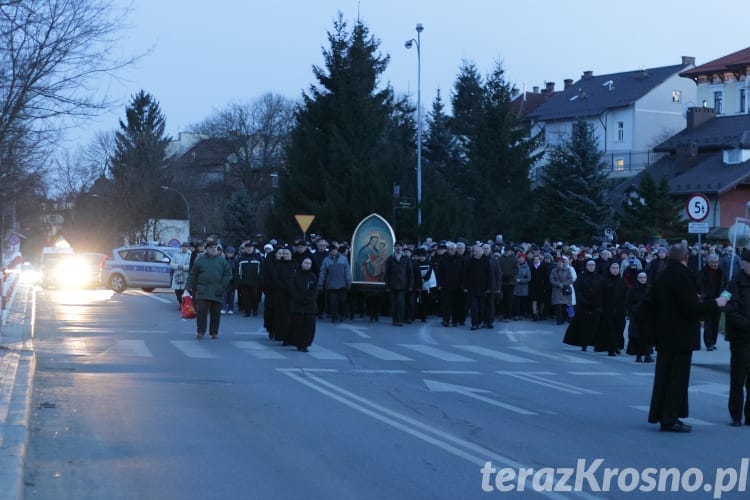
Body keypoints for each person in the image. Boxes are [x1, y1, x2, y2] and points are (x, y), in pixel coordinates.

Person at [647, 243, 727, 432]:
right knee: (676, 380)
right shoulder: (681, 276)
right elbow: (690, 308)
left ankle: (665, 414)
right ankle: (669, 417)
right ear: (685, 258)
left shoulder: (664, 274)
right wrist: (715, 303)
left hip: (665, 334)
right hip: (680, 336)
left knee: (664, 378)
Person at [185, 240, 233, 340]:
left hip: (217, 290)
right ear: (207, 249)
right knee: (201, 311)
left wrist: (222, 286)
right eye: (211, 248)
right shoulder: (201, 260)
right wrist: (188, 286)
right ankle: (200, 331)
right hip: (203, 289)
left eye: (215, 248)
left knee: (215, 312)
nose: (214, 249)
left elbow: (228, 274)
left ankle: (214, 332)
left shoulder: (222, 261)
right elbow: (193, 274)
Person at [724, 249, 750, 426]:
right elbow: (729, 309)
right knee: (738, 379)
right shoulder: (733, 283)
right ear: (744, 264)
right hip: (740, 338)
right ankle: (735, 415)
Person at [563, 260, 602, 351]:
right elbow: (578, 291)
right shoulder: (581, 278)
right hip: (583, 305)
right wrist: (584, 301)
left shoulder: (599, 278)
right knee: (583, 325)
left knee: (595, 325)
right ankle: (583, 343)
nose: (591, 267)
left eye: (593, 265)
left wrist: (596, 302)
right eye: (590, 265)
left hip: (595, 305)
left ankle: (593, 343)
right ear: (586, 266)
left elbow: (601, 291)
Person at [289, 257, 318, 352]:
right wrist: (298, 298)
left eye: (309, 263)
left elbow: (315, 291)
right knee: (297, 325)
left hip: (309, 306)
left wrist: (308, 299)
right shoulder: (295, 275)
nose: (307, 265)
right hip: (297, 305)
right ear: (302, 264)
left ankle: (305, 344)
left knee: (309, 327)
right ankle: (298, 343)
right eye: (305, 263)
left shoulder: (313, 276)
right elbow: (292, 289)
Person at [698, 253, 726, 351]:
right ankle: (708, 343)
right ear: (708, 262)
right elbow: (699, 286)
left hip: (719, 301)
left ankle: (713, 342)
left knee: (716, 322)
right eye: (713, 262)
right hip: (708, 301)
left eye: (717, 262)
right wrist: (703, 296)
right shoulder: (703, 272)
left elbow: (726, 285)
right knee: (708, 323)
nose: (715, 264)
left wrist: (725, 297)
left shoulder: (721, 272)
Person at [317, 244, 352, 323]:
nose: (334, 251)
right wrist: (320, 284)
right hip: (331, 285)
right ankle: (334, 317)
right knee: (333, 302)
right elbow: (322, 273)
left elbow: (347, 271)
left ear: (337, 250)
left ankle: (342, 315)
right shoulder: (326, 260)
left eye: (335, 250)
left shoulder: (344, 259)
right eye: (332, 250)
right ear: (330, 251)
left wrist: (349, 282)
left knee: (343, 301)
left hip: (342, 284)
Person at [626, 271, 654, 362]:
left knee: (647, 337)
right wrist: (635, 310)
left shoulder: (649, 288)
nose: (643, 279)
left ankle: (647, 355)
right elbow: (629, 302)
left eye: (644, 277)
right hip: (636, 317)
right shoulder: (633, 289)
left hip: (648, 317)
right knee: (637, 337)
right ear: (637, 279)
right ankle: (638, 355)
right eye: (641, 277)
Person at [384, 241, 413, 326]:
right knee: (393, 304)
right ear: (394, 248)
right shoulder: (390, 258)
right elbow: (387, 273)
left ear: (402, 248)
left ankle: (400, 320)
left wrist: (410, 285)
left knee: (401, 303)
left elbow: (410, 273)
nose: (398, 248)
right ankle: (395, 320)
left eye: (400, 246)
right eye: (396, 246)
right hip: (392, 284)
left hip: (402, 285)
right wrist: (387, 286)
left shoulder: (406, 258)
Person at [235, 242, 263, 317]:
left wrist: (260, 280)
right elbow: (237, 271)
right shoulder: (240, 259)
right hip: (244, 282)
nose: (249, 249)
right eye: (247, 248)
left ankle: (255, 310)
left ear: (253, 249)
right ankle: (247, 312)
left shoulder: (258, 258)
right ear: (245, 249)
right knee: (245, 297)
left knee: (255, 297)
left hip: (255, 282)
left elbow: (262, 270)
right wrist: (238, 281)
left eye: (250, 248)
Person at [170, 241, 192, 309]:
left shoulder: (190, 255)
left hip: (185, 275)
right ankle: (180, 303)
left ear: (188, 248)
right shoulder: (176, 254)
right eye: (183, 246)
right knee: (177, 292)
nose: (184, 248)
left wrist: (183, 267)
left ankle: (183, 304)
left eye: (186, 247)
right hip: (177, 275)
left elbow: (191, 265)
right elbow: (172, 264)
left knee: (184, 291)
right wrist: (177, 266)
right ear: (181, 247)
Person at [220, 245, 237, 314]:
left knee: (231, 295)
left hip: (232, 280)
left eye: (231, 253)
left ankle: (231, 308)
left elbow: (236, 271)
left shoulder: (236, 261)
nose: (230, 254)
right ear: (226, 253)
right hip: (224, 279)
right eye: (228, 252)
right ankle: (223, 308)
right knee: (224, 294)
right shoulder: (223, 260)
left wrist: (235, 280)